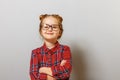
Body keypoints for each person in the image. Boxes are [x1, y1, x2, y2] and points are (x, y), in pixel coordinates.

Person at [29, 14, 72, 80]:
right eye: (46, 27)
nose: (50, 29)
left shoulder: (65, 50)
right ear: (40, 31)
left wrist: (43, 70)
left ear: (60, 32)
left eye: (54, 27)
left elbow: (66, 73)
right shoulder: (35, 52)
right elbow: (34, 76)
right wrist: (58, 71)